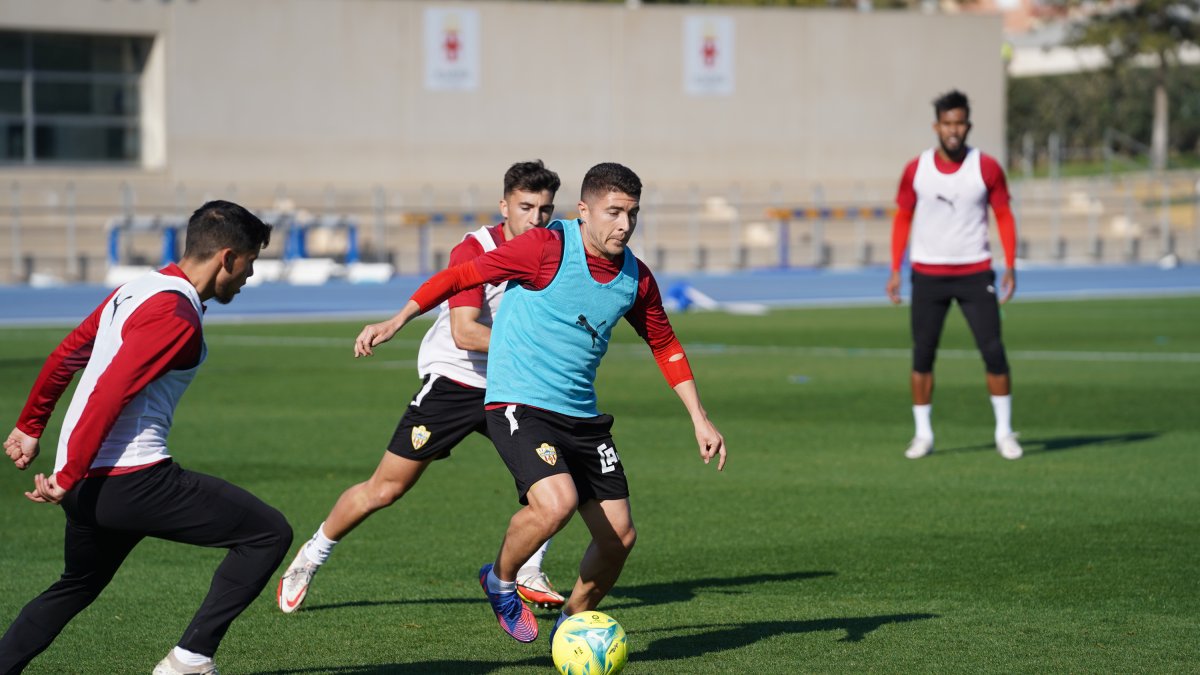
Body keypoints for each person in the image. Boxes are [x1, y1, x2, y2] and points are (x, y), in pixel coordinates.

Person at [352, 162, 727, 644]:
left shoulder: (636, 277)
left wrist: (699, 417)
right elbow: (460, 275)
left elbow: (665, 344)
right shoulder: (545, 247)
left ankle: (572, 625)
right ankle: (501, 580)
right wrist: (396, 319)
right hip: (519, 402)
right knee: (557, 503)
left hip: (582, 415)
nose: (624, 226)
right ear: (584, 210)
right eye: (614, 213)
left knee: (619, 538)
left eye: (633, 215)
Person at [0, 201, 290, 675]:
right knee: (267, 534)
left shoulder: (137, 289)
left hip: (92, 490)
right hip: (130, 482)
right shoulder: (175, 315)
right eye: (251, 264)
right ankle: (189, 662)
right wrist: (67, 473)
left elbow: (68, 354)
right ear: (228, 258)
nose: (249, 277)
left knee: (75, 586)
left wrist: (32, 426)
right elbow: (112, 390)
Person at [277, 161, 568, 614]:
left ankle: (527, 568)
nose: (536, 218)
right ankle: (311, 555)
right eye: (526, 206)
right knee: (385, 489)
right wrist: (536, 350)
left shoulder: (552, 248)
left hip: (512, 385)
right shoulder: (475, 249)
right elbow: (465, 333)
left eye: (545, 209)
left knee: (557, 479)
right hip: (456, 380)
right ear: (504, 204)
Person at [886, 89, 1023, 461]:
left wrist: (1010, 263)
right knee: (923, 356)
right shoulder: (916, 170)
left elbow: (1004, 215)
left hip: (975, 272)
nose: (953, 129)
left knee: (993, 352)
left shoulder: (987, 167)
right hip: (927, 274)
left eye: (959, 122)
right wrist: (895, 269)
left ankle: (1004, 432)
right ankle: (923, 434)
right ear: (936, 126)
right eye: (947, 123)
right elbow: (903, 217)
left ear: (968, 125)